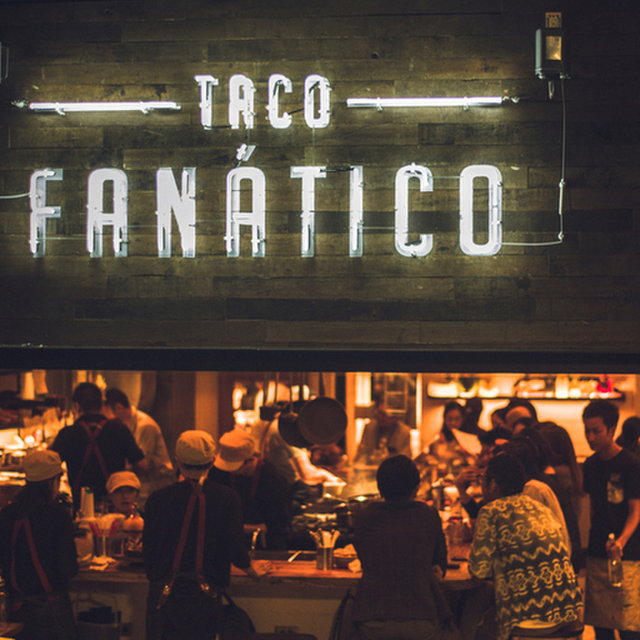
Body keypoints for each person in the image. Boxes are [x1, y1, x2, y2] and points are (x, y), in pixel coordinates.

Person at [144, 430, 271, 640]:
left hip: (164, 596)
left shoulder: (157, 499)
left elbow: (149, 551)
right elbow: (235, 549)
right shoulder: (227, 498)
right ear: (212, 462)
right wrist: (251, 569)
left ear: (177, 461)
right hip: (204, 597)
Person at [467, 452, 582, 640]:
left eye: (482, 479)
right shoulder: (540, 508)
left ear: (492, 483)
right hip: (564, 614)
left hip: (526, 619)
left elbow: (478, 570)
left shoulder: (491, 512)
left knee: (474, 613)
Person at [352, 455, 453, 640]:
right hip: (421, 616)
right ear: (416, 487)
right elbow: (439, 563)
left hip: (373, 617)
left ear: (379, 488)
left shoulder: (363, 516)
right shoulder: (428, 515)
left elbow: (365, 560)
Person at [0, 450, 78, 640]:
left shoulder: (7, 513)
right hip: (50, 610)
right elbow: (67, 569)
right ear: (53, 481)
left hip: (15, 609)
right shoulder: (58, 516)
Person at [582, 400, 640, 640]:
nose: (591, 437)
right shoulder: (590, 464)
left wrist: (621, 541)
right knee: (600, 625)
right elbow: (593, 506)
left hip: (628, 551)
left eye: (596, 431)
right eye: (587, 431)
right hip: (597, 548)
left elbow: (635, 510)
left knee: (628, 624)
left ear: (612, 429)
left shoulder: (631, 464)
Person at [51, 382, 147, 511]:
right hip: (114, 504)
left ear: (77, 406)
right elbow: (142, 465)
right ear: (102, 404)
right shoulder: (119, 429)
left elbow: (50, 466)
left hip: (81, 507)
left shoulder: (67, 434)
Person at [208, 429, 291, 550]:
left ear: (251, 459)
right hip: (229, 545)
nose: (229, 470)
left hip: (264, 546)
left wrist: (242, 528)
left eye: (233, 465)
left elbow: (279, 525)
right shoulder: (220, 473)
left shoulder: (273, 480)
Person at [105, 388, 174, 509]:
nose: (107, 417)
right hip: (144, 479)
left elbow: (142, 464)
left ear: (118, 407)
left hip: (155, 481)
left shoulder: (145, 425)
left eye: (108, 411)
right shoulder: (127, 423)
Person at [355, 401, 412, 465]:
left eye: (384, 414)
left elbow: (405, 460)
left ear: (394, 417)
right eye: (379, 413)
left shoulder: (403, 433)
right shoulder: (370, 428)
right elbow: (361, 454)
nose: (380, 417)